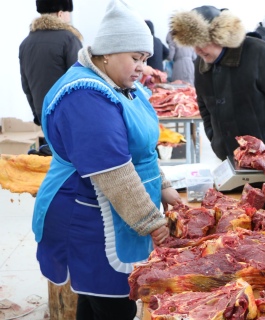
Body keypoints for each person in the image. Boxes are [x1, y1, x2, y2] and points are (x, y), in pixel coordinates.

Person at [32, 0, 182, 318]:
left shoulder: (125, 87)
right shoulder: (85, 95)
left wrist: (164, 185)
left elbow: (141, 148)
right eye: (135, 58)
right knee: (113, 305)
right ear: (108, 53)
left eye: (144, 58)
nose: (142, 66)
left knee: (97, 300)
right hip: (88, 217)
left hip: (116, 211)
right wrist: (152, 222)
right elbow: (113, 172)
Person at [169, 5, 265, 253]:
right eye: (194, 43)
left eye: (205, 41)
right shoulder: (202, 63)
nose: (200, 49)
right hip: (235, 161)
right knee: (249, 220)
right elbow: (204, 105)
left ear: (221, 35)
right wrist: (216, 139)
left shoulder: (258, 52)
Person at [19, 0, 83, 156]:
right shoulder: (69, 39)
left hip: (45, 117)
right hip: (70, 119)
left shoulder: (26, 43)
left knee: (53, 164)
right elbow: (80, 81)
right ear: (61, 13)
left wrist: (38, 115)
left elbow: (26, 85)